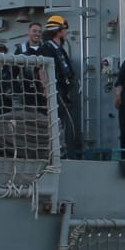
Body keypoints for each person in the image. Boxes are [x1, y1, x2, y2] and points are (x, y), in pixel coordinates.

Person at [43, 15, 81, 154]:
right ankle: (55, 150)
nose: (66, 32)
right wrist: (47, 90)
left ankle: (64, 149)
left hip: (65, 91)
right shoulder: (47, 48)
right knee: (55, 121)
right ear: (57, 30)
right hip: (55, 90)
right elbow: (42, 70)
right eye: (64, 29)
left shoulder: (60, 49)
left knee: (64, 122)